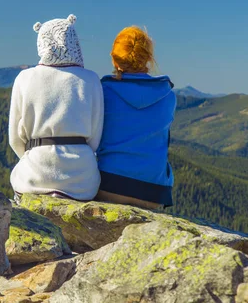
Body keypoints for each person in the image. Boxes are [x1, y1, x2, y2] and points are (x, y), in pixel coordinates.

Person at [9, 14, 103, 202]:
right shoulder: (91, 79)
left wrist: (32, 156)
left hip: (34, 176)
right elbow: (95, 138)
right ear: (73, 41)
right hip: (82, 181)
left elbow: (15, 139)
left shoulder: (24, 78)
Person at [96, 25, 176, 209]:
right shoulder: (168, 96)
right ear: (148, 58)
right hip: (154, 191)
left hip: (109, 184)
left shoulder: (103, 91)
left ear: (115, 59)